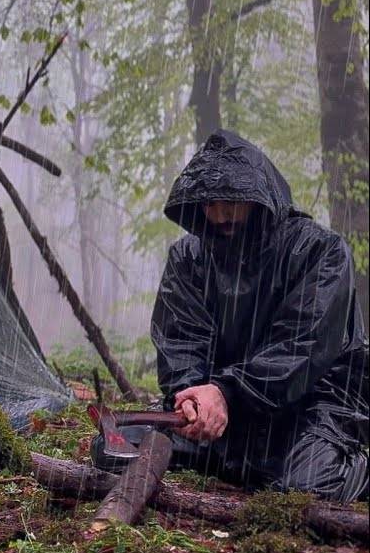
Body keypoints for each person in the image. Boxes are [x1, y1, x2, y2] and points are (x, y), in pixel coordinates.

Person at [110, 130, 368, 502]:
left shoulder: (321, 252)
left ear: (259, 197)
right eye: (207, 202)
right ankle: (251, 459)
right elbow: (181, 339)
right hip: (231, 408)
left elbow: (301, 348)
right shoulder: (188, 259)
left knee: (306, 487)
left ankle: (337, 462)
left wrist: (228, 392)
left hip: (313, 402)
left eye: (230, 200)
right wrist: (192, 399)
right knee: (118, 444)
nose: (218, 213)